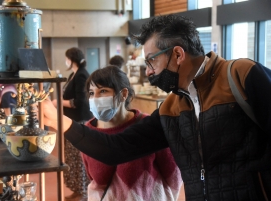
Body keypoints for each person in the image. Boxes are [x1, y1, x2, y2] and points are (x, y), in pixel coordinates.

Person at [42, 14, 271, 201]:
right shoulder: (171, 107)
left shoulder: (242, 76)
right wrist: (62, 122)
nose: (149, 71)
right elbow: (117, 148)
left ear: (178, 54)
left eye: (152, 61)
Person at [82, 65, 182, 200]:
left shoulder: (147, 125)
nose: (95, 99)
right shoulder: (88, 132)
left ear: (123, 94)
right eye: (92, 93)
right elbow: (95, 179)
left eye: (103, 91)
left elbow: (172, 174)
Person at [51, 47, 93, 201]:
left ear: (72, 59)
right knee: (72, 157)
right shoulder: (73, 74)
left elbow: (80, 101)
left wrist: (58, 102)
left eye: (67, 58)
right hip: (71, 120)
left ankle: (83, 192)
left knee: (79, 158)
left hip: (79, 121)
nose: (66, 61)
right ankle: (77, 190)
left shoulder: (82, 75)